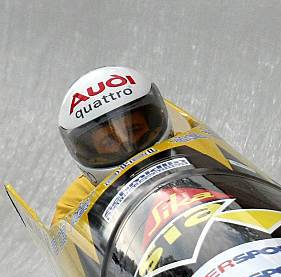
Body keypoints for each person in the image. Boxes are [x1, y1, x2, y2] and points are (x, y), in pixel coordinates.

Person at [52, 66, 187, 226]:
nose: (126, 145)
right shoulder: (74, 204)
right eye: (109, 142)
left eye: (134, 130)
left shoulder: (190, 149)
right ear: (92, 153)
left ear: (153, 123)